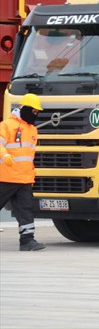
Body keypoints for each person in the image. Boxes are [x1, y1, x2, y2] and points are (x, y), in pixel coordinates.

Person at [0, 93, 46, 251]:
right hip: (5, 177)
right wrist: (4, 155)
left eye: (37, 112)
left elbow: (28, 156)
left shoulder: (33, 130)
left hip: (25, 179)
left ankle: (27, 241)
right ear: (24, 108)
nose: (36, 115)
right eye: (33, 111)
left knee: (26, 209)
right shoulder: (7, 125)